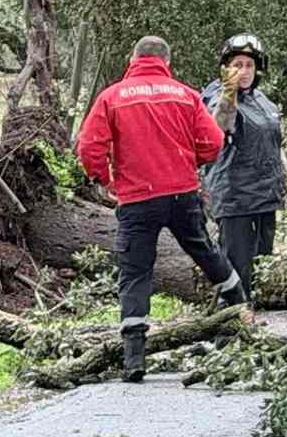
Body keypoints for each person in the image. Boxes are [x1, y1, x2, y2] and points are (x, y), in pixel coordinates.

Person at [75, 35, 250, 383]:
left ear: (133, 58)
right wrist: (192, 160)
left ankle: (134, 357)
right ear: (166, 62)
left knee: (135, 271)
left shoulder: (112, 97)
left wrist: (103, 178)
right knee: (204, 250)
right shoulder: (184, 94)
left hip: (138, 198)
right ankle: (239, 303)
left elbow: (89, 146)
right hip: (182, 194)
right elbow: (213, 141)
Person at [200, 33, 287, 308]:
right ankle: (226, 329)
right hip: (236, 197)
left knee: (260, 264)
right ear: (225, 68)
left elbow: (275, 143)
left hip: (266, 195)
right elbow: (219, 127)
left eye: (249, 65)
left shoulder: (263, 101)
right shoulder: (217, 97)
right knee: (236, 269)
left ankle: (249, 321)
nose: (243, 71)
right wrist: (228, 95)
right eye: (237, 65)